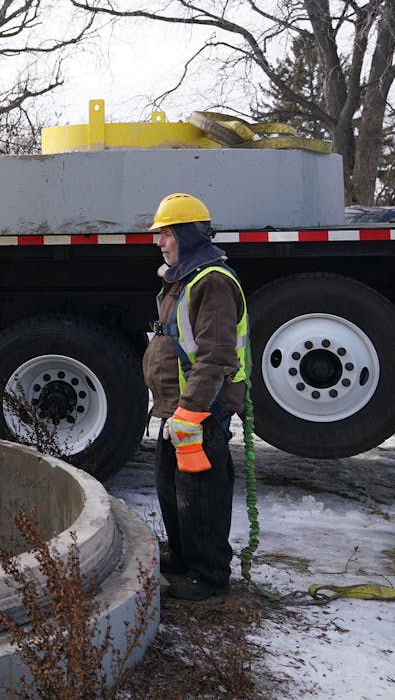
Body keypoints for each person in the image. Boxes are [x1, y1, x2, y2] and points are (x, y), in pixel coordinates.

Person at [144, 192, 249, 600]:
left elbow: (217, 354)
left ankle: (209, 575)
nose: (159, 243)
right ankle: (186, 558)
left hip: (201, 410)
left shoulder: (213, 282)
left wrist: (193, 409)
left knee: (201, 492)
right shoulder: (184, 279)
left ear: (186, 235)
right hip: (179, 409)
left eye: (166, 234)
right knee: (171, 486)